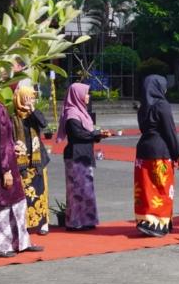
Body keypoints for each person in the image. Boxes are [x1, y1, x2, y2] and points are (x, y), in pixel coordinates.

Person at [0, 94, 42, 258]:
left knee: (17, 203)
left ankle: (20, 242)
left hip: (4, 161)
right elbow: (0, 142)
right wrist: (5, 169)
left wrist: (12, 147)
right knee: (2, 206)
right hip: (2, 164)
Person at [134, 75, 179, 237]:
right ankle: (159, 224)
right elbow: (170, 131)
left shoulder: (143, 107)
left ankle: (145, 220)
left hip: (143, 150)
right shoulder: (162, 105)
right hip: (160, 149)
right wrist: (178, 154)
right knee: (162, 187)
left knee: (146, 188)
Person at [57, 83, 110, 231]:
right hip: (75, 155)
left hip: (84, 154)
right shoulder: (71, 114)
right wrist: (96, 134)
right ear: (77, 95)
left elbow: (87, 134)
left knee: (86, 189)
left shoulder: (82, 112)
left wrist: (98, 135)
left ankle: (87, 220)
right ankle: (75, 222)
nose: (88, 96)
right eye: (86, 93)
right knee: (76, 190)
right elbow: (77, 134)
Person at [12, 85, 50, 235]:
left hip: (38, 159)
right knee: (26, 192)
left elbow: (43, 124)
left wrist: (33, 109)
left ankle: (43, 222)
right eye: (29, 97)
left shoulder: (34, 114)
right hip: (22, 161)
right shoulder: (13, 117)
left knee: (41, 191)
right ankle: (27, 222)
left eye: (33, 98)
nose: (32, 100)